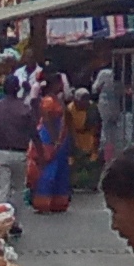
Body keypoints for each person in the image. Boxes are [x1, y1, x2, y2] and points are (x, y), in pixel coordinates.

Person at [0, 69, 35, 213]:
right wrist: (40, 154)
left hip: (1, 153)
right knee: (18, 191)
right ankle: (15, 221)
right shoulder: (25, 108)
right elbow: (34, 133)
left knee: (2, 191)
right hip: (20, 154)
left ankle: (2, 219)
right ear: (18, 89)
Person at [27, 82, 76, 214]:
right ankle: (43, 202)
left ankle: (58, 201)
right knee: (48, 171)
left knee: (61, 170)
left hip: (60, 139)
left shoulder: (58, 99)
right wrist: (55, 139)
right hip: (50, 138)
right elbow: (47, 120)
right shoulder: (48, 101)